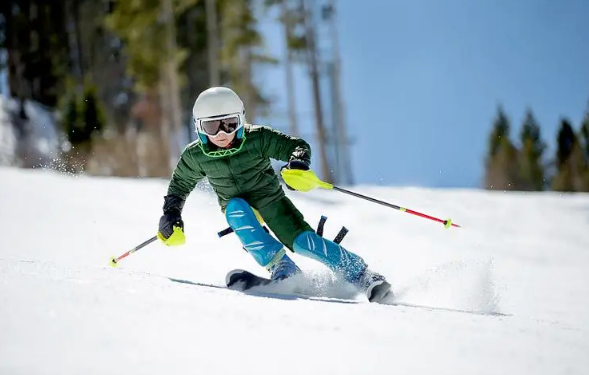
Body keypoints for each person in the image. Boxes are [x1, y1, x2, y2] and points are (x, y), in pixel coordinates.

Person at [157, 86, 392, 302]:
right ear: (200, 127)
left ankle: (362, 276)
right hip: (237, 206)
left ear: (240, 121)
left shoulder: (257, 138)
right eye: (212, 126)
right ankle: (283, 268)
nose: (221, 133)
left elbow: (295, 146)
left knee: (303, 243)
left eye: (229, 124)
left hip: (270, 200)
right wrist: (171, 214)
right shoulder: (195, 156)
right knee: (235, 208)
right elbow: (179, 186)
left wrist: (297, 163)